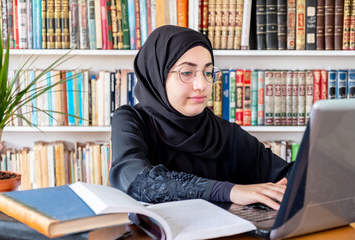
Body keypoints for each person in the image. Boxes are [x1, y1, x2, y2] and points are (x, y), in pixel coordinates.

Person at [109, 25, 293, 210]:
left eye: (208, 72)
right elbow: (134, 179)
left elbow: (289, 174)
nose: (202, 85)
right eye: (187, 73)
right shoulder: (132, 119)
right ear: (158, 75)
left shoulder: (224, 134)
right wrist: (229, 191)